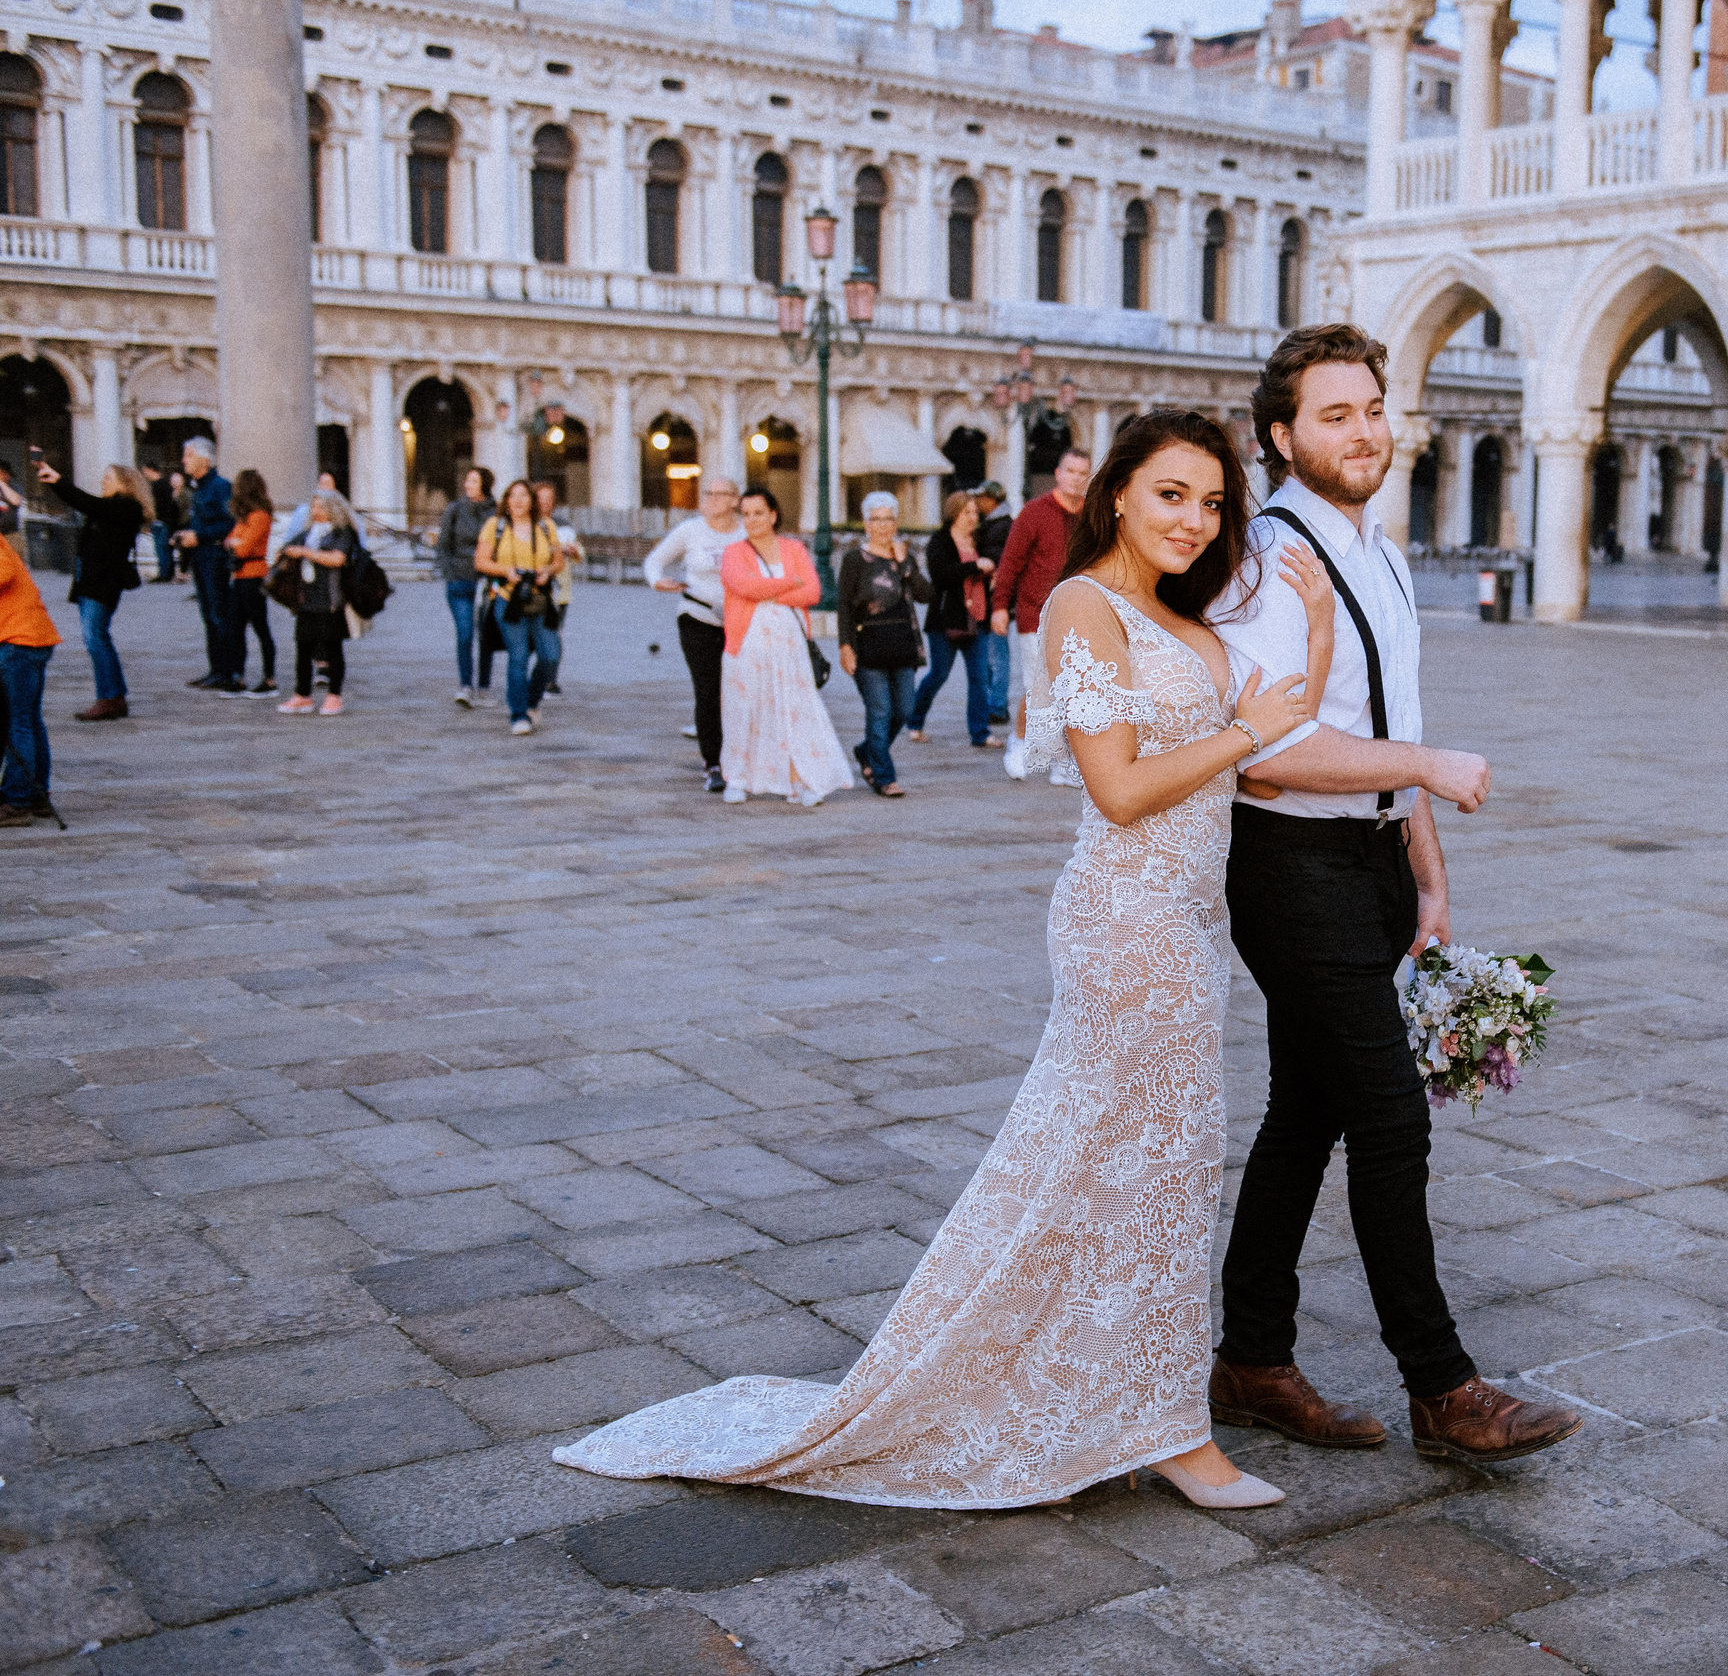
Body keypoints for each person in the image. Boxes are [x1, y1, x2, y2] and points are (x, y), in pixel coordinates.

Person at [554, 408, 1334, 1511]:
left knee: (1151, 1168)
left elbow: (1270, 746)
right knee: (1146, 1168)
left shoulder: (1181, 615)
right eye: (1172, 494)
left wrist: (1312, 632)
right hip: (1125, 921)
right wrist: (1244, 730)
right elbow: (1119, 788)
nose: (1195, 520)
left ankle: (1126, 1401)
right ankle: (1167, 1426)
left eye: (1212, 503)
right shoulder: (1083, 603)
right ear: (1116, 493)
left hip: (1187, 924)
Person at [1208, 322, 1580, 1464]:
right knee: (1386, 1117)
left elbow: (1385, 723)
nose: (1365, 431)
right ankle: (1444, 1387)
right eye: (1336, 414)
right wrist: (1426, 767)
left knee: (1306, 1111)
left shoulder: (1381, 551)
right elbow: (1272, 753)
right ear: (1282, 437)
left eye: (1372, 408)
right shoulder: (1269, 561)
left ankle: (1251, 1359)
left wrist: (1426, 873)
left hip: (1365, 861)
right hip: (1289, 862)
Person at [713, 488, 853, 808]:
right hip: (747, 644)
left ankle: (798, 778)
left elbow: (813, 592)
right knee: (743, 709)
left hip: (790, 646)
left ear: (773, 515)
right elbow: (744, 586)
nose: (751, 520)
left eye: (758, 513)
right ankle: (738, 778)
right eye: (746, 514)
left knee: (795, 710)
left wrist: (770, 593)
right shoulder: (733, 552)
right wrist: (790, 583)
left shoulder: (793, 549)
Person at [990, 448, 1087, 781]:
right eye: (1070, 471)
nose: (1075, 478)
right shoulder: (1035, 512)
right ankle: (1018, 741)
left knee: (1072, 691)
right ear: (1058, 474)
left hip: (1077, 616)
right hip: (1036, 613)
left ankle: (1061, 763)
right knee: (1039, 688)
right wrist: (1000, 606)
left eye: (1082, 473)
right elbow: (1010, 562)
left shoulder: (1091, 516)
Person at [643, 477, 741, 791]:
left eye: (719, 494)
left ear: (735, 500)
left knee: (738, 689)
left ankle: (741, 755)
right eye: (707, 493)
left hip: (740, 621)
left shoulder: (745, 532)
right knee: (708, 688)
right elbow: (655, 560)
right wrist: (657, 580)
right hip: (697, 615)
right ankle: (713, 762)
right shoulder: (691, 530)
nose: (711, 498)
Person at [836, 490, 931, 798]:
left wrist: (905, 565)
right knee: (879, 711)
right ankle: (883, 776)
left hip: (902, 645)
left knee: (903, 710)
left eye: (888, 519)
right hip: (868, 645)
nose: (882, 525)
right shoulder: (854, 560)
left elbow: (925, 594)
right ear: (866, 524)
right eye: (875, 519)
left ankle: (867, 752)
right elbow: (844, 605)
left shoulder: (905, 556)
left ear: (896, 522)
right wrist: (845, 646)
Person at [40, 459, 145, 722]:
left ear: (124, 483)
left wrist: (58, 481)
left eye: (108, 478)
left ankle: (109, 697)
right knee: (98, 637)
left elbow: (85, 502)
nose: (102, 482)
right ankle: (115, 695)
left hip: (103, 582)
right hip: (93, 581)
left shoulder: (125, 506)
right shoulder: (113, 507)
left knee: (95, 637)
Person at [475, 480, 563, 736]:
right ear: (506, 500)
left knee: (551, 654)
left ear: (532, 500)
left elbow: (558, 561)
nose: (518, 501)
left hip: (540, 598)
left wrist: (547, 570)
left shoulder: (545, 526)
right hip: (508, 598)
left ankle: (532, 700)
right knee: (519, 655)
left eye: (523, 495)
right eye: (512, 496)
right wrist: (506, 571)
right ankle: (518, 714)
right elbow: (480, 561)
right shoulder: (495, 526)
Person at [909, 490, 995, 748]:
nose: (972, 517)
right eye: (966, 512)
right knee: (939, 674)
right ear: (953, 513)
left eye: (975, 512)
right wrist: (974, 566)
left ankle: (980, 733)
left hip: (978, 617)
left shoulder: (979, 540)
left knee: (980, 677)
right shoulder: (941, 541)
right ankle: (914, 721)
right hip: (946, 618)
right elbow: (940, 576)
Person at [275, 490, 357, 717]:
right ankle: (302, 694)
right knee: (303, 646)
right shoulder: (308, 532)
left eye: (321, 507)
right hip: (306, 597)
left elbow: (337, 559)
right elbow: (286, 548)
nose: (316, 511)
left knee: (332, 647)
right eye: (313, 507)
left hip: (330, 598)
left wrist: (305, 553)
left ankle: (334, 695)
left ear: (333, 509)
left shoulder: (342, 532)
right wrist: (284, 553)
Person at [0, 521, 56, 825]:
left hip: (18, 641)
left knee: (17, 722)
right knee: (29, 720)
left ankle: (18, 801)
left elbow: (4, 572)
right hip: (31, 637)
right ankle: (37, 794)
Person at [172, 439, 239, 691]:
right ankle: (216, 670)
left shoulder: (220, 487)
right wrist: (185, 535)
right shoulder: (199, 489)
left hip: (215, 558)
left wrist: (199, 536)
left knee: (219, 614)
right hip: (201, 558)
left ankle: (227, 671)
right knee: (208, 615)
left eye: (189, 455)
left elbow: (230, 523)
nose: (184, 460)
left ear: (206, 459)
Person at [437, 467, 495, 706]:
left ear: (485, 484)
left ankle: (484, 686)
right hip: (460, 580)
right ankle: (466, 685)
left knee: (487, 635)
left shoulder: (495, 511)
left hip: (488, 580)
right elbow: (443, 545)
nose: (467, 484)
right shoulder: (455, 509)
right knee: (465, 634)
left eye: (473, 480)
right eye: (467, 480)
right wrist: (450, 573)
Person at [225, 469, 278, 697]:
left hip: (254, 576)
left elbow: (243, 548)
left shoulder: (259, 516)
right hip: (239, 577)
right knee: (236, 628)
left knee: (260, 627)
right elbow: (230, 541)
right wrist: (235, 542)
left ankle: (269, 678)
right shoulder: (244, 517)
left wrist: (235, 542)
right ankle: (238, 675)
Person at [535, 481, 582, 699]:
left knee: (553, 634)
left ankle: (549, 680)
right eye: (541, 498)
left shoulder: (563, 525)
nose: (545, 503)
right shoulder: (527, 524)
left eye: (549, 499)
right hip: (532, 587)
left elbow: (579, 554)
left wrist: (572, 551)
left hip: (559, 590)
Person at [973, 480, 1013, 725]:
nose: (978, 502)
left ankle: (997, 705)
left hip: (995, 599)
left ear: (991, 499)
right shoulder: (996, 524)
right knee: (994, 653)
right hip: (995, 599)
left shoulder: (999, 527)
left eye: (981, 497)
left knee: (997, 654)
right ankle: (994, 703)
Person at [146, 466, 180, 582]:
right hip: (166, 522)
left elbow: (158, 505)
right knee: (165, 549)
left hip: (160, 521)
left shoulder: (157, 486)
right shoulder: (166, 485)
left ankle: (164, 574)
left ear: (151, 470)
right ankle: (168, 573)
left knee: (161, 549)